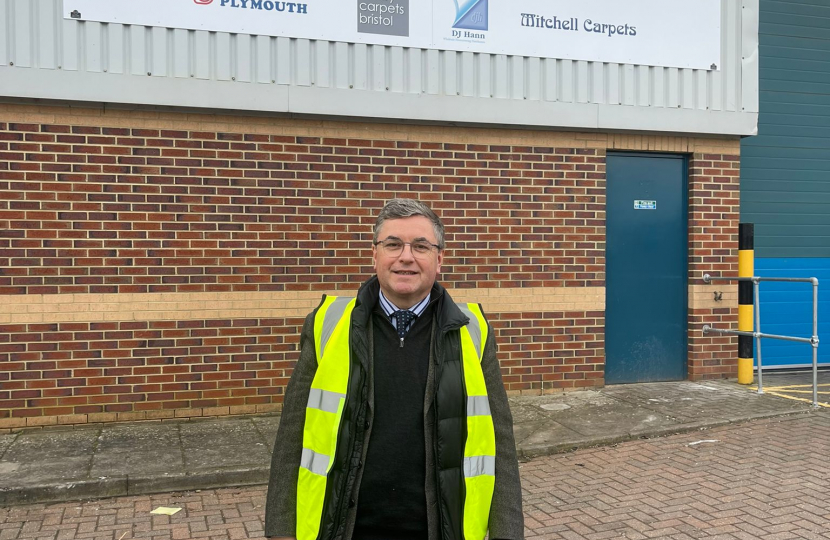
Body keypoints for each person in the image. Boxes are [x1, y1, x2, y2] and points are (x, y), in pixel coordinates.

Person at [264, 198, 524, 540]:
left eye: (420, 246)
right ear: (375, 255)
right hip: (345, 527)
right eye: (392, 244)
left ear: (439, 258)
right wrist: (281, 529)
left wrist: (507, 533)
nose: (406, 256)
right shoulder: (327, 324)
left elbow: (500, 443)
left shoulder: (472, 330)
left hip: (439, 528)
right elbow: (292, 434)